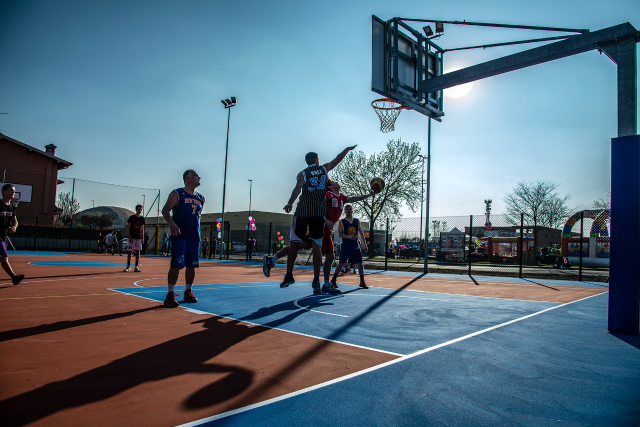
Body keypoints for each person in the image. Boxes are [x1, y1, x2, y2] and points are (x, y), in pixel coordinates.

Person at [264, 147, 356, 294]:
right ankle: (315, 280)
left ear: (307, 162)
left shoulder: (302, 174)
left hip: (302, 211)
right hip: (317, 214)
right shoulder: (324, 169)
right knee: (316, 246)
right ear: (317, 160)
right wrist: (347, 149)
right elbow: (337, 160)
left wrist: (290, 203)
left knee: (295, 244)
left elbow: (297, 189)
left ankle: (288, 275)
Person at [263, 179, 373, 293]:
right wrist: (325, 220)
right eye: (334, 182)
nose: (336, 182)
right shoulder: (327, 195)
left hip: (325, 230)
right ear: (330, 187)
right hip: (321, 227)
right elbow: (316, 208)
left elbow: (356, 198)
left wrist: (370, 194)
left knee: (299, 245)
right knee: (329, 256)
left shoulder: (342, 197)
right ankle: (324, 284)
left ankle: (272, 259)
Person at [161, 169, 204, 308]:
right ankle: (170, 294)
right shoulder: (177, 193)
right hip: (180, 236)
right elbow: (165, 210)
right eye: (197, 176)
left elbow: (197, 216)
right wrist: (172, 223)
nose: (200, 178)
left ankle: (188, 291)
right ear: (189, 178)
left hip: (194, 236)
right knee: (177, 264)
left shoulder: (201, 198)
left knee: (192, 265)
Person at [331, 204, 368, 289]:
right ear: (344, 211)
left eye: (349, 209)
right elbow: (340, 234)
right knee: (341, 264)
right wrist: (349, 236)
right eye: (346, 209)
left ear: (352, 210)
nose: (348, 210)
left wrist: (364, 244)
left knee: (360, 263)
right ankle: (333, 280)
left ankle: (362, 281)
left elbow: (360, 232)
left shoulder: (356, 221)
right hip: (346, 246)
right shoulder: (342, 222)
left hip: (355, 246)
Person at [0, 184, 24, 285]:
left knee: (2, 258)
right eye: (11, 190)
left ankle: (14, 278)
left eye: (14, 191)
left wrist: (14, 227)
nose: (13, 192)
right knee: (4, 256)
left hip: (4, 236)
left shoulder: (11, 207)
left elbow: (15, 221)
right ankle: (14, 277)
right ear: (4, 191)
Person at [124, 205, 145, 272]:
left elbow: (142, 228)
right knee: (129, 252)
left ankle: (136, 267)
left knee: (137, 252)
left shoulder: (142, 218)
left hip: (138, 238)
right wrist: (129, 237)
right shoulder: (132, 218)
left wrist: (142, 238)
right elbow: (128, 227)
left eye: (141, 209)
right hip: (132, 238)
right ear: (136, 209)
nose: (140, 211)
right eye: (139, 209)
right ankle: (128, 266)